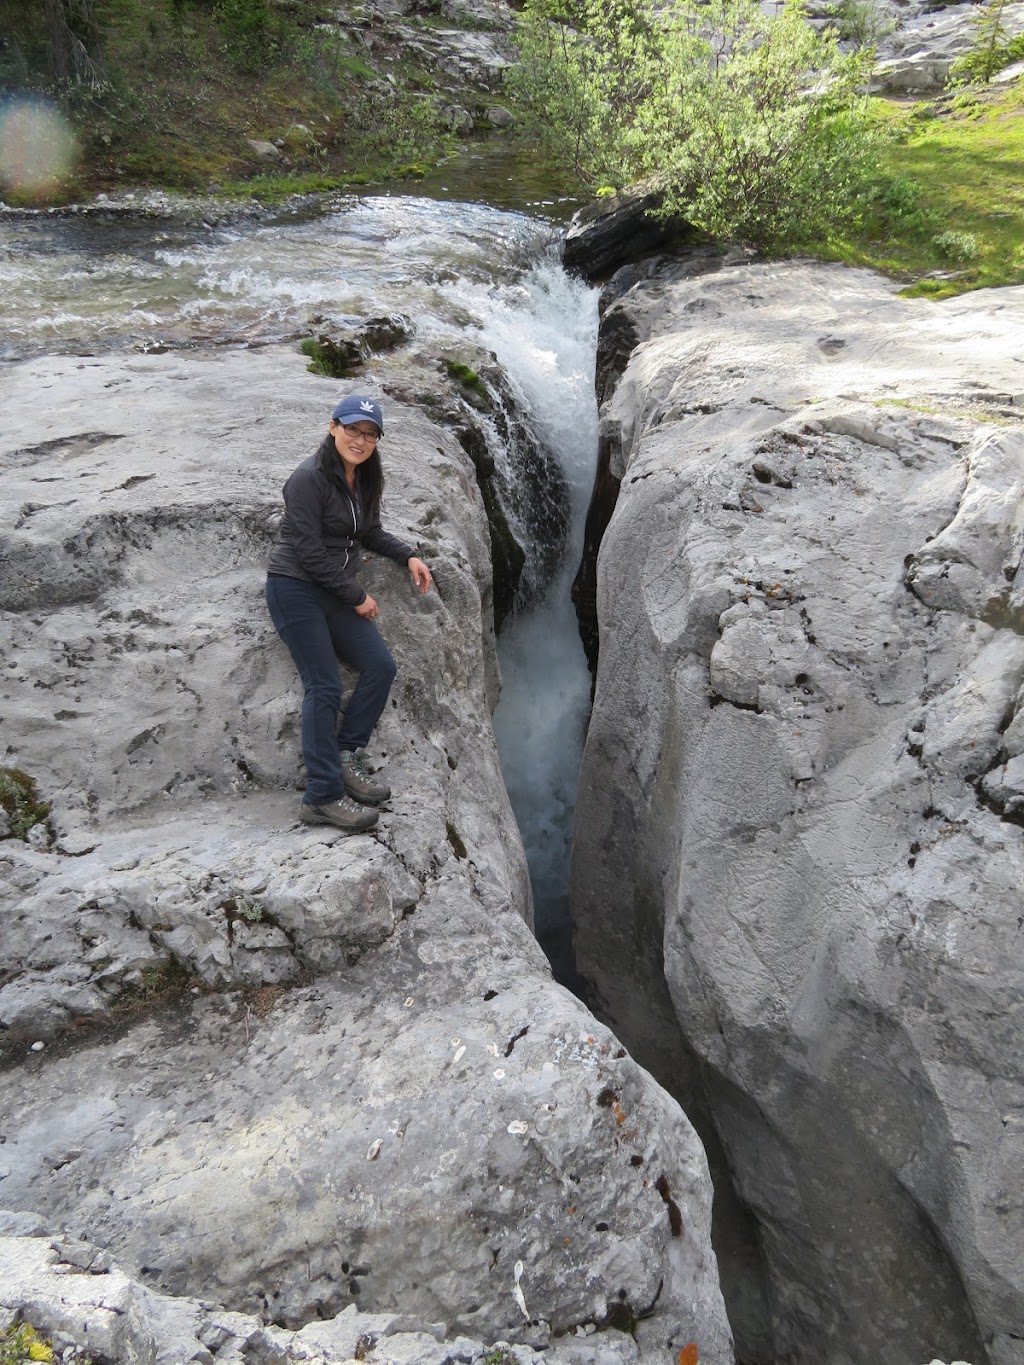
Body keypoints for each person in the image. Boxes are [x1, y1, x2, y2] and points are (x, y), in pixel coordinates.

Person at [266, 394, 432, 832]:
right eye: (353, 429)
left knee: (380, 666)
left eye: (370, 434)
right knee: (324, 686)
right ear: (333, 426)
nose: (361, 440)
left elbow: (370, 532)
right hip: (296, 589)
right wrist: (357, 595)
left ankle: (345, 755)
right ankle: (321, 796)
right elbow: (307, 550)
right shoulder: (307, 478)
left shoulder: (364, 477)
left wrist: (408, 555)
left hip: (331, 593)